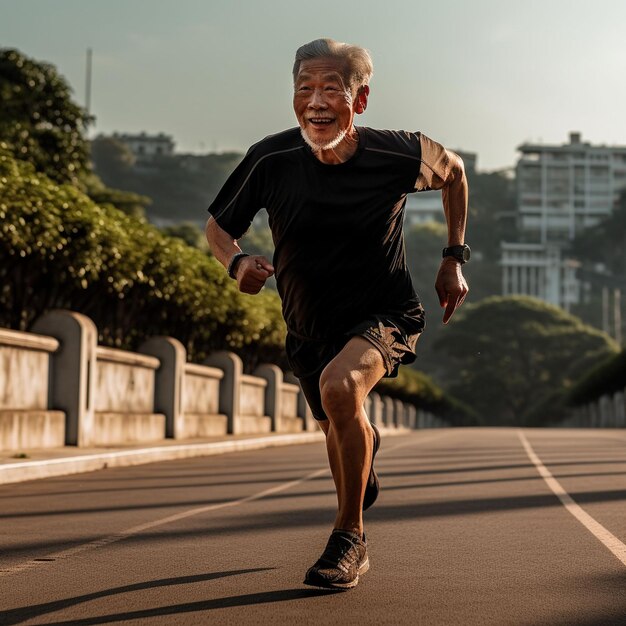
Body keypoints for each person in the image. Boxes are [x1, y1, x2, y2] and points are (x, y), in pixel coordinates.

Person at [205, 37, 469, 590]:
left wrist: (453, 260)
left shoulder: (399, 152)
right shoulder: (271, 158)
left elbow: (457, 173)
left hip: (385, 312)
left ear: (361, 99)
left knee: (340, 387)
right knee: (333, 420)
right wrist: (235, 264)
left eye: (331, 88)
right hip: (307, 324)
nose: (316, 100)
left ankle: (350, 538)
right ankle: (363, 453)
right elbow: (219, 228)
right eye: (304, 88)